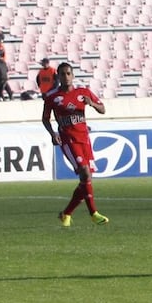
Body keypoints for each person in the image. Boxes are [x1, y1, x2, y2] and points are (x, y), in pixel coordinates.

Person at [42, 62, 109, 227]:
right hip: (68, 139)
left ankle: (66, 214)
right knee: (85, 173)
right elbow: (45, 118)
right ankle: (93, 213)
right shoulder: (52, 97)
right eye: (62, 74)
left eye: (68, 73)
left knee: (86, 178)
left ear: (72, 75)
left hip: (84, 138)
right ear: (57, 76)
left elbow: (103, 109)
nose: (65, 77)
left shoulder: (83, 93)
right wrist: (53, 133)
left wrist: (91, 104)